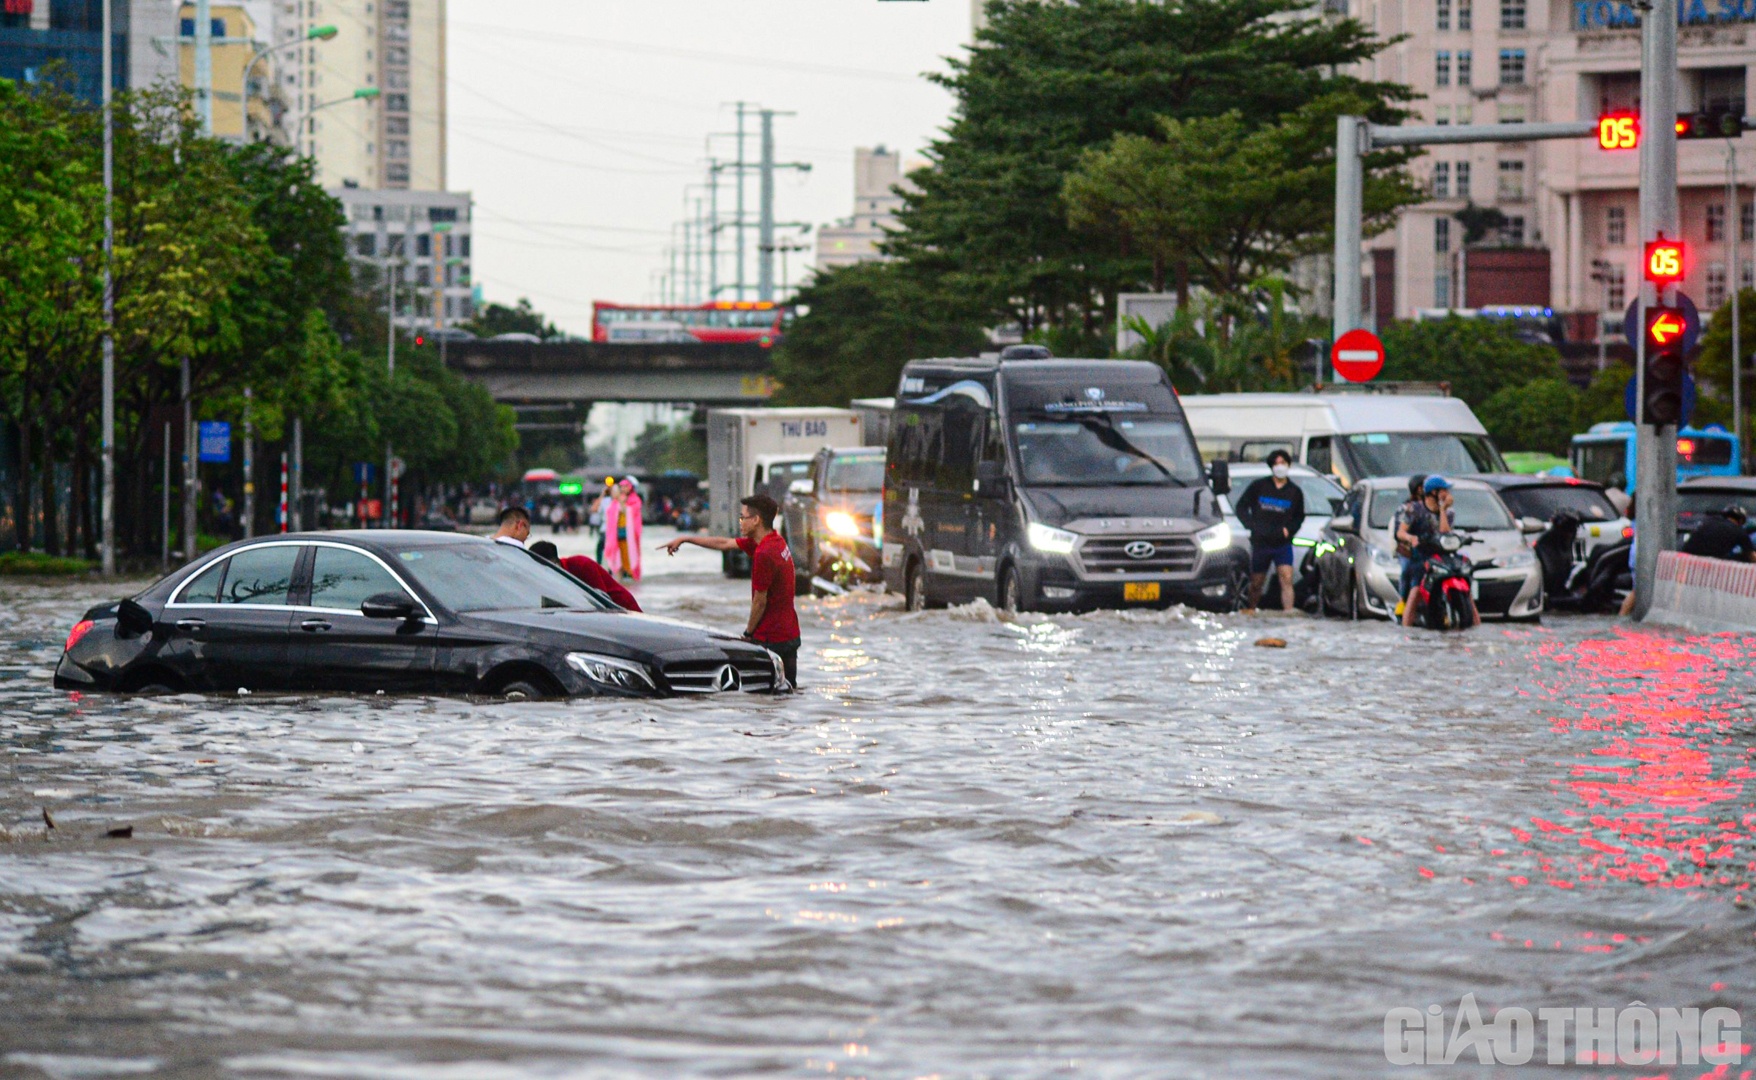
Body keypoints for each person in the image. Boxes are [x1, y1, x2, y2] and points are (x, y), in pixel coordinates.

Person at [664, 493, 800, 688]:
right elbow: (724, 544)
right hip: (789, 634)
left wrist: (748, 634)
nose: (740, 522)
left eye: (743, 517)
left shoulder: (764, 553)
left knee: (765, 697)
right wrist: (686, 539)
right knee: (786, 693)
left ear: (756, 520)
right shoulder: (774, 541)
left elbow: (760, 602)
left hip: (772, 638)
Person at [1401, 475, 1479, 628]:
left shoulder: (1449, 512)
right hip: (1422, 555)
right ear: (1434, 493)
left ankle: (1476, 624)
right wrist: (1411, 538)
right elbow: (1400, 532)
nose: (1447, 493)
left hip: (1442, 554)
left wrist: (1443, 509)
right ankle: (1406, 627)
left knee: (1466, 589)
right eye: (1444, 490)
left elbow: (1444, 531)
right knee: (1416, 590)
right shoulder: (1415, 509)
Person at [1233, 450, 1306, 612]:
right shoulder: (1259, 486)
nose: (1280, 467)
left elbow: (1299, 517)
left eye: (1283, 463)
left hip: (1283, 544)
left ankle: (1288, 611)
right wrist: (1252, 525)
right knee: (1257, 582)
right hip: (1261, 543)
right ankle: (1251, 608)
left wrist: (1289, 530)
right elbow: (1241, 507)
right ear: (1272, 466)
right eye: (1277, 464)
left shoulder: (1294, 492)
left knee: (1286, 578)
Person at [527, 540, 641, 611]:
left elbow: (602, 599)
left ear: (555, 563)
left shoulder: (581, 565)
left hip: (623, 608)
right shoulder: (551, 579)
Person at [1392, 474, 1429, 618]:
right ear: (1419, 489)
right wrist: (1409, 539)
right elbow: (1399, 531)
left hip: (1428, 548)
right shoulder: (1406, 508)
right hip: (1410, 550)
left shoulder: (1435, 507)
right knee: (1407, 569)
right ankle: (1403, 600)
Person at [602, 478, 644, 580]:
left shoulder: (635, 500)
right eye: (622, 487)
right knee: (617, 557)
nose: (624, 489)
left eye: (626, 486)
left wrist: (621, 502)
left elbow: (629, 512)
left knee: (629, 556)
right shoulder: (615, 501)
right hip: (616, 534)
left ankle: (631, 575)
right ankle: (619, 577)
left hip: (630, 535)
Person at [1682, 504, 1755, 562]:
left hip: (1687, 559)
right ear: (1741, 520)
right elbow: (1752, 556)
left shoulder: (1709, 521)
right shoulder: (1739, 531)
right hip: (1712, 563)